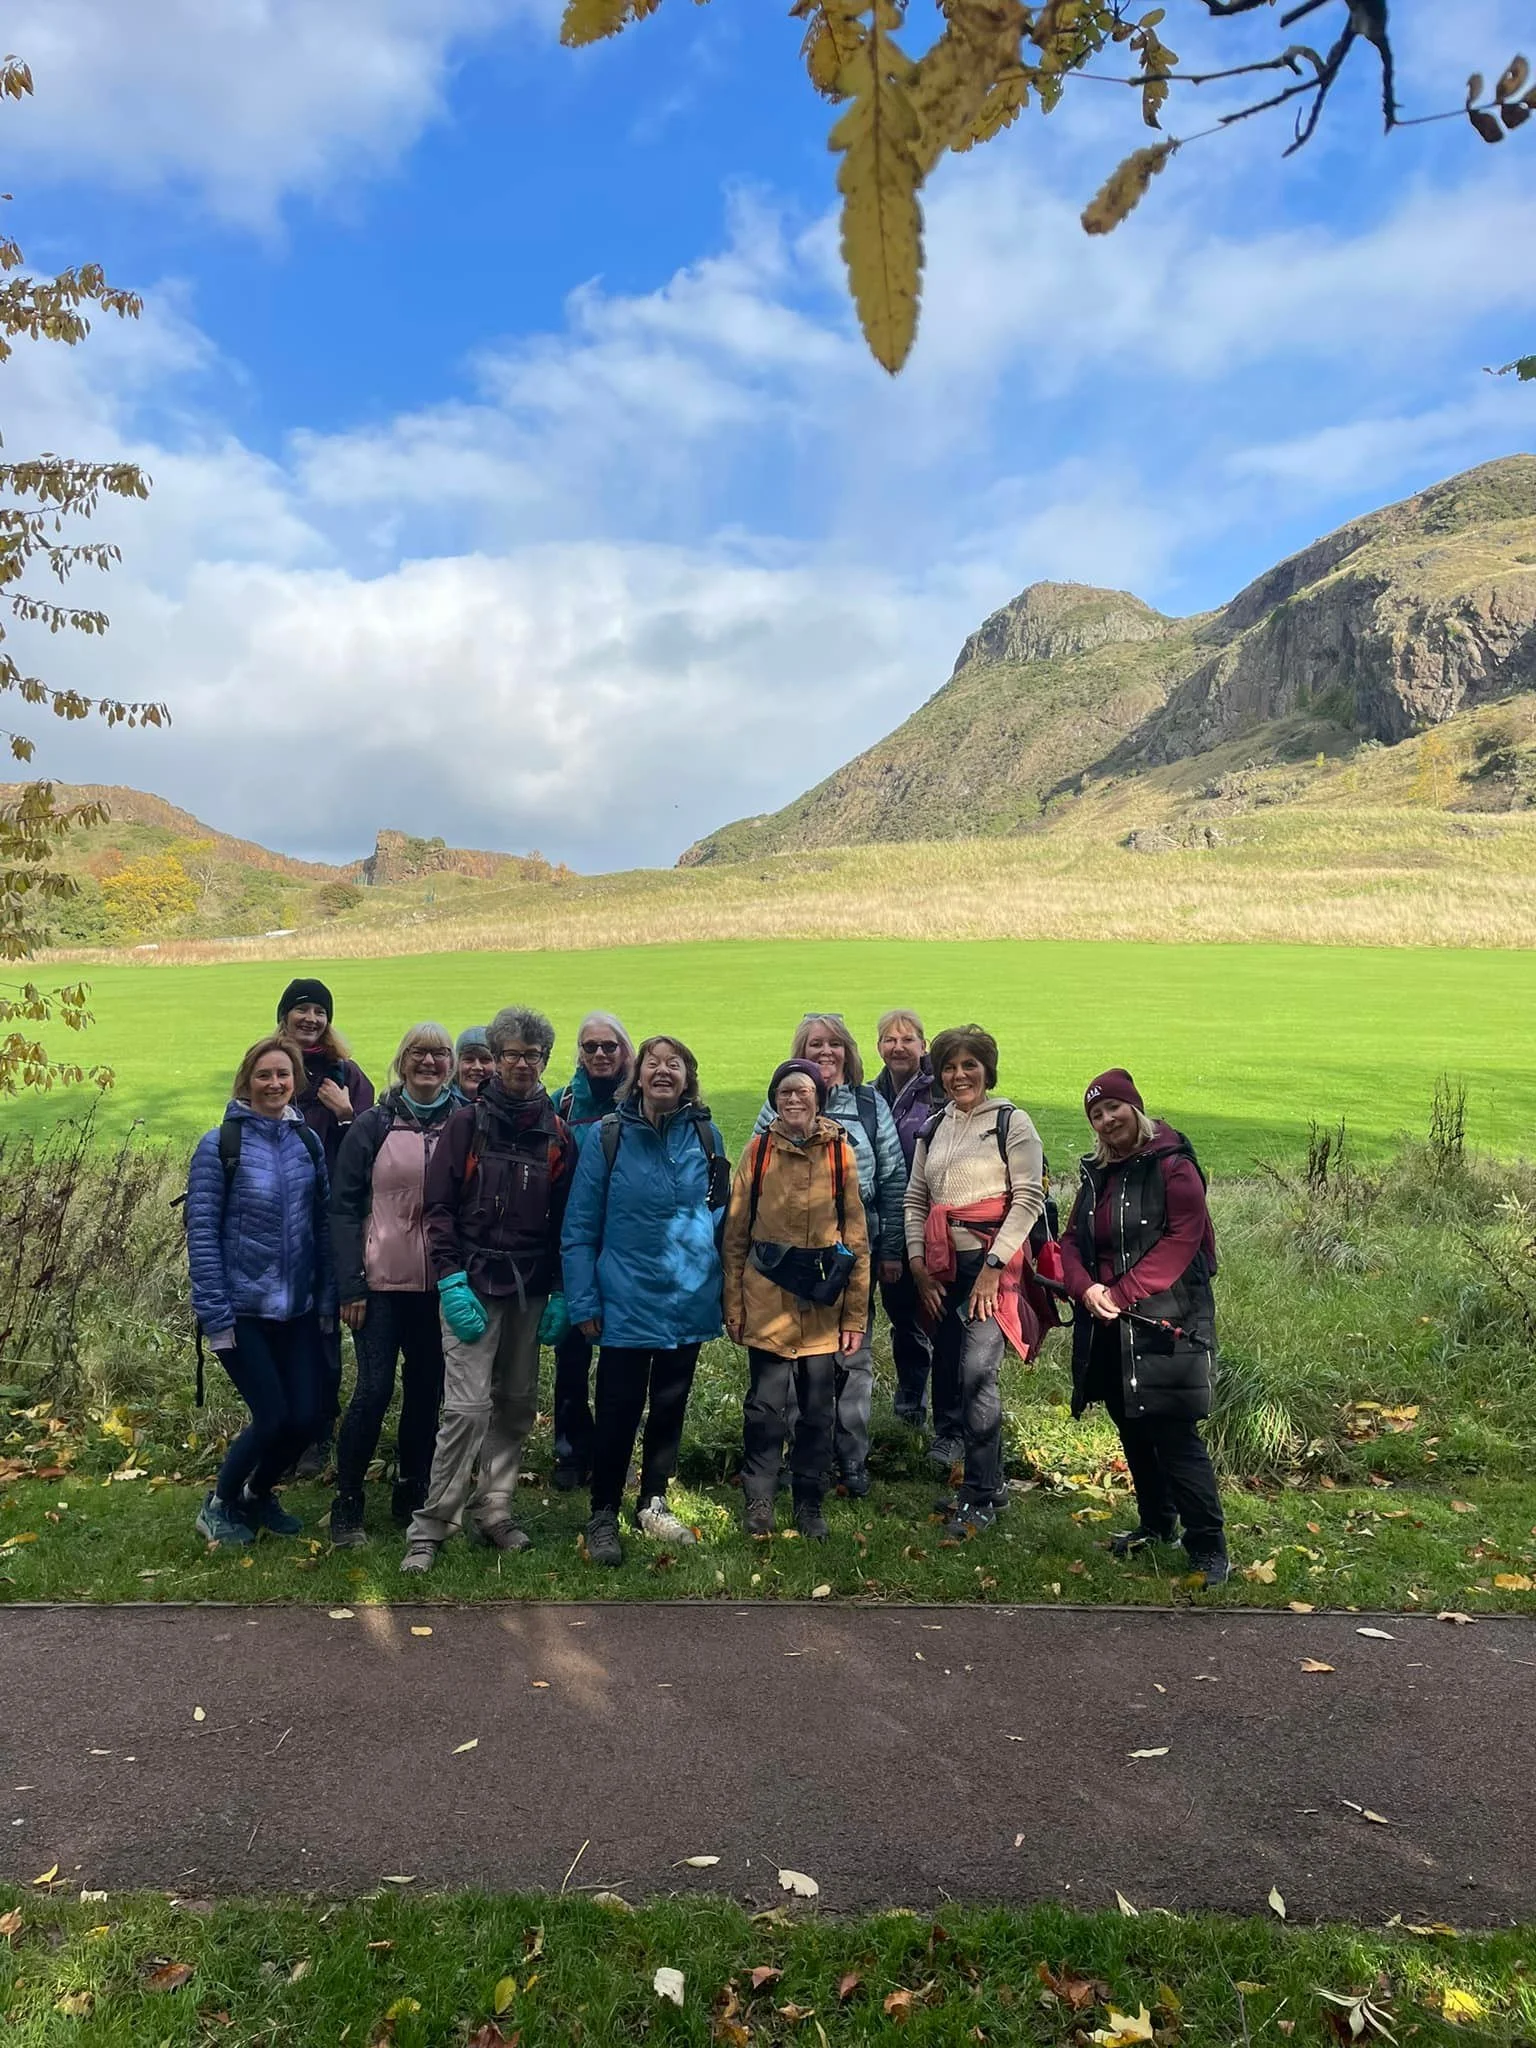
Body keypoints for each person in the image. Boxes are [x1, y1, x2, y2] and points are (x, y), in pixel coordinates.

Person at [400, 1005, 574, 1572]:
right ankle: (431, 1525)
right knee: (468, 1409)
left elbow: (564, 1223)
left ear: (545, 1061)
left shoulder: (558, 1134)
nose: (522, 1064)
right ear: (494, 1061)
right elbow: (438, 1207)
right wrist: (450, 1278)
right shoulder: (465, 1124)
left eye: (532, 1055)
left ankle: (494, 1509)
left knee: (518, 1404)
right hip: (470, 1284)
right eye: (511, 1055)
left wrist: (563, 1292)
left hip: (530, 1291)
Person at [1058, 1069, 1229, 1588]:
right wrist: (1086, 1287)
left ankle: (1209, 1548)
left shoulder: (1174, 1167)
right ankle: (1157, 1524)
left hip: (1167, 1320)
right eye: (1096, 1114)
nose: (1107, 1120)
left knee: (1173, 1432)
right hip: (1107, 1322)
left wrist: (1118, 1293)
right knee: (1130, 1424)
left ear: (1134, 1107)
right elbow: (1069, 1240)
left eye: (1113, 1108)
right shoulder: (1097, 1173)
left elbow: (1182, 1240)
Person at [561, 1034, 727, 1567]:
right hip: (624, 1300)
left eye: (673, 1064)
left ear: (687, 1077)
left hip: (687, 1298)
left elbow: (720, 1217)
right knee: (617, 1410)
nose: (662, 1071)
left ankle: (653, 1501)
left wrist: (714, 1280)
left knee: (670, 1409)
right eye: (652, 1063)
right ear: (637, 1076)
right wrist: (583, 1299)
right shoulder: (607, 1137)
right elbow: (580, 1227)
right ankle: (604, 1512)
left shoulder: (706, 1135)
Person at [184, 1035, 336, 1547]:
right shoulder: (220, 1144)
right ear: (247, 1081)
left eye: (284, 1075)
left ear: (296, 1082)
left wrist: (327, 1298)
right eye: (265, 1075)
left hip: (296, 1309)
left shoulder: (307, 1143)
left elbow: (321, 1227)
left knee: (308, 1417)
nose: (275, 1084)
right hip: (241, 1310)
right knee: (271, 1417)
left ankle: (259, 1493)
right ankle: (220, 1504)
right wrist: (215, 1314)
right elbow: (202, 1232)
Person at [751, 1014, 903, 1494]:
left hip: (854, 1255)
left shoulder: (869, 1104)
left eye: (835, 1043)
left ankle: (852, 1457)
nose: (826, 1052)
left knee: (852, 1355)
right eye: (815, 1043)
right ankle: (803, 1453)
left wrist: (893, 1249)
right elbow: (754, 1179)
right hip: (790, 1263)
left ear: (848, 1052)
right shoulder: (776, 1106)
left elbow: (895, 1180)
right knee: (796, 1354)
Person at [905, 1024, 1046, 1537]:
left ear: (987, 1069)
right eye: (949, 1066)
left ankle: (981, 1495)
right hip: (944, 1269)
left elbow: (1027, 1198)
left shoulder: (1012, 1122)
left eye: (969, 1065)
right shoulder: (934, 1127)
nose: (959, 1074)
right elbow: (915, 1200)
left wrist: (991, 1271)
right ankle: (992, 1482)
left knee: (977, 1376)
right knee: (953, 1371)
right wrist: (919, 1265)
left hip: (993, 1266)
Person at [726, 1059, 870, 1540]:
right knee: (765, 1410)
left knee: (817, 1412)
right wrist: (734, 1304)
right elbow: (735, 1235)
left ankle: (810, 1503)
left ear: (818, 1098)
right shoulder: (758, 1152)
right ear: (774, 1098)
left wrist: (854, 1315)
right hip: (766, 1301)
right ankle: (760, 1500)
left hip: (823, 1306)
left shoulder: (839, 1155)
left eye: (803, 1091)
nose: (793, 1099)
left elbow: (856, 1238)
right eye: (785, 1091)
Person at [327, 1023, 458, 1547]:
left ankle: (413, 1487)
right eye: (418, 1053)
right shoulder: (372, 1125)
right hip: (379, 1288)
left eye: (439, 1054)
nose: (429, 1062)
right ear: (402, 1062)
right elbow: (342, 1209)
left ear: (450, 1063)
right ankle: (348, 1501)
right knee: (374, 1390)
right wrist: (350, 1285)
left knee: (427, 1393)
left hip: (441, 1289)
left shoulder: (466, 1124)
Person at [275, 977, 375, 1479]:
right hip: (280, 1224)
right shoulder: (272, 1070)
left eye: (319, 1011)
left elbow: (369, 1153)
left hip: (335, 1223)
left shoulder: (347, 1074)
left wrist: (345, 1114)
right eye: (302, 1010)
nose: (311, 1019)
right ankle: (281, 1430)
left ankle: (320, 1433)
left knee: (324, 1332)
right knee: (282, 1327)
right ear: (285, 1017)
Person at [548, 1012, 637, 1490]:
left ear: (625, 1050)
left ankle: (613, 1449)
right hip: (575, 1247)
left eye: (609, 1046)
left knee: (622, 1358)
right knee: (572, 1354)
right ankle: (571, 1448)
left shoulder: (642, 1100)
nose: (600, 1054)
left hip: (626, 1251)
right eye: (590, 1047)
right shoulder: (563, 1101)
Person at [873, 1007, 955, 1446]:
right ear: (878, 1048)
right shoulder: (869, 1095)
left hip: (938, 1230)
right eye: (889, 1039)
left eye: (908, 1039)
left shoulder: (941, 1094)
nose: (898, 1046)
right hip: (890, 1230)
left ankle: (952, 1424)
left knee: (941, 1323)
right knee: (903, 1320)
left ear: (923, 1046)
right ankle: (908, 1413)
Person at [453, 1025, 494, 1104]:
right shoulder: (442, 1108)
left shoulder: (510, 1107)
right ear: (456, 1065)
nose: (477, 1067)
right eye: (469, 1059)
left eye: (485, 1060)